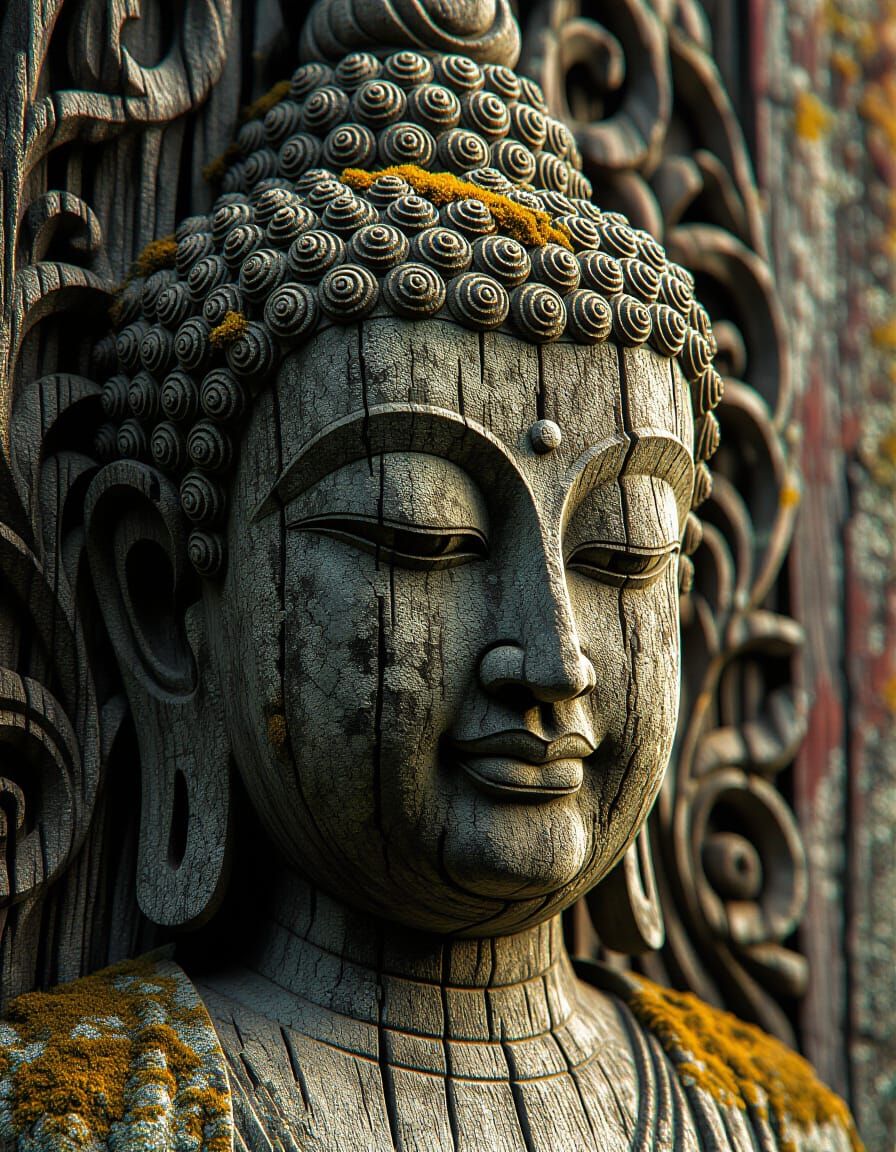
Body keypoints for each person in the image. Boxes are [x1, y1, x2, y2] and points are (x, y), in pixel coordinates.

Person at [0, 1, 861, 1149]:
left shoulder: (770, 1123)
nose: (550, 659)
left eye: (619, 555)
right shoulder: (81, 1109)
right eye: (422, 537)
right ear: (165, 604)